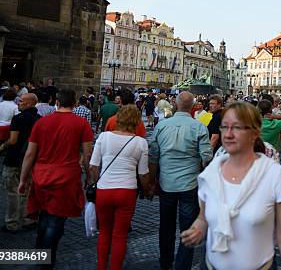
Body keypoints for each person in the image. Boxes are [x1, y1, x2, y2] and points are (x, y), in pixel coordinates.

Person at [180, 102, 281, 270]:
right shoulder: (211, 171)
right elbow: (203, 218)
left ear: (254, 133)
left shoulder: (273, 174)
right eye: (224, 127)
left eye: (236, 128)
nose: (228, 134)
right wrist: (197, 230)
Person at [18, 89, 93, 268]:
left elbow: (29, 154)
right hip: (66, 178)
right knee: (56, 220)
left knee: (44, 216)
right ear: (74, 104)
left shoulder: (42, 122)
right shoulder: (81, 124)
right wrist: (89, 177)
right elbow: (88, 154)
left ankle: (40, 254)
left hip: (42, 176)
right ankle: (45, 261)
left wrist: (23, 179)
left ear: (57, 102)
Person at [149, 91, 213, 270]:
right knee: (188, 228)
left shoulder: (162, 126)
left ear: (175, 104)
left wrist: (152, 180)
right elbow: (207, 156)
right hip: (190, 184)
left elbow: (153, 155)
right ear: (193, 106)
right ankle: (182, 265)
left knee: (166, 226)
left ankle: (165, 262)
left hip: (166, 183)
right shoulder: (199, 127)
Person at [89, 105, 150, 270]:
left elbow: (93, 166)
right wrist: (147, 189)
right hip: (127, 190)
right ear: (136, 121)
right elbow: (143, 173)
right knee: (120, 235)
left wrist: (96, 182)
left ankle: (101, 267)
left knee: (104, 232)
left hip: (104, 189)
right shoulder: (141, 142)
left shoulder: (104, 137)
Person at [0, 93, 40, 232]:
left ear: (29, 103)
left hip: (14, 158)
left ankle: (12, 222)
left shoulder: (18, 118)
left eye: (22, 101)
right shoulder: (39, 119)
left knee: (12, 191)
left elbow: (13, 140)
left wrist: (3, 145)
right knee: (26, 191)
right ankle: (26, 218)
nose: (19, 103)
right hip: (30, 160)